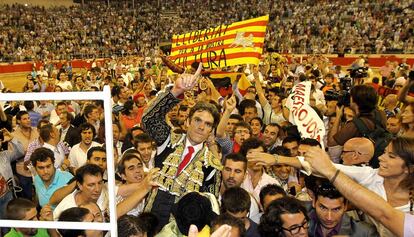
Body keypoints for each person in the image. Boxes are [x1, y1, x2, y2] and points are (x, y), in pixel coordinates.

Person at [141, 64, 222, 228]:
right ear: (187, 122)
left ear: (211, 131)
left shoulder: (212, 164)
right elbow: (148, 119)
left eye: (207, 124)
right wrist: (176, 91)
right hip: (151, 218)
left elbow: (209, 203)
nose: (201, 127)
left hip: (181, 226)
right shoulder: (169, 139)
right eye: (197, 120)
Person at [304, 146, 414, 237]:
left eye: (391, 156)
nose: (380, 158)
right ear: (314, 202)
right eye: (323, 207)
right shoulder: (373, 176)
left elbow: (384, 214)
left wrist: (330, 171)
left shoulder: (363, 231)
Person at [309, 181, 377, 237]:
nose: (329, 218)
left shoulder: (365, 233)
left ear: (345, 206)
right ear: (314, 202)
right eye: (323, 208)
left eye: (336, 209)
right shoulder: (303, 222)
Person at [220, 152, 261, 223]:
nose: (231, 175)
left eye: (237, 171)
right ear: (221, 170)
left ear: (245, 175)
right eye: (228, 169)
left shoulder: (251, 203)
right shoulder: (211, 195)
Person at [0, 128, 24, 218]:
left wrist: (12, 139)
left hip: (8, 195)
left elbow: (20, 152)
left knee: (8, 224)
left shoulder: (5, 155)